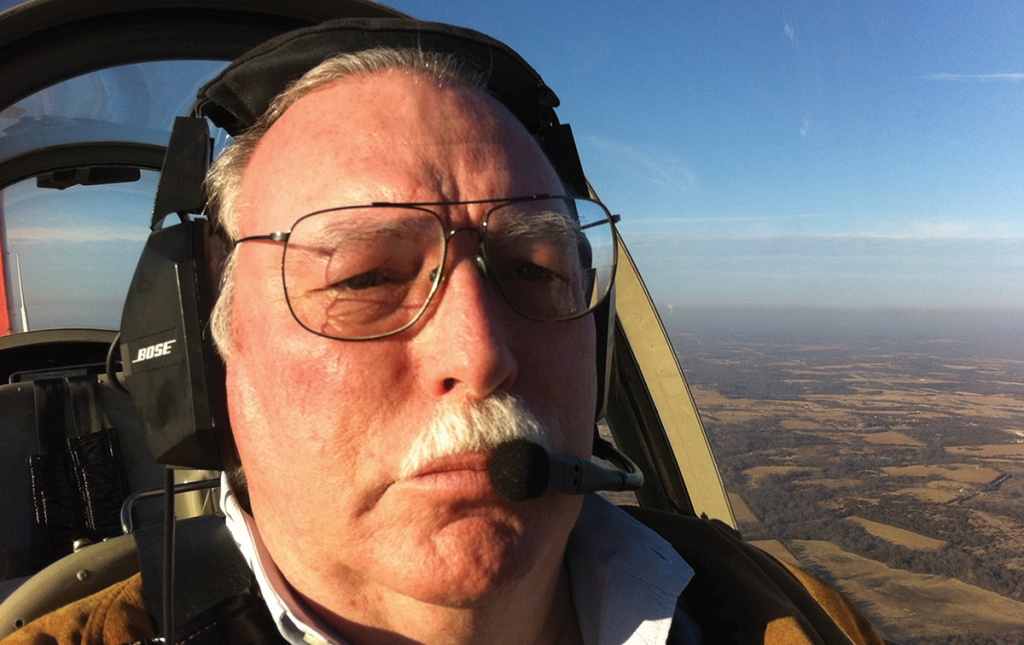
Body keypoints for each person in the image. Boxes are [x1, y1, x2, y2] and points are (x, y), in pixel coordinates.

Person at [3, 25, 886, 645]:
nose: (482, 352)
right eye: (366, 276)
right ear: (206, 354)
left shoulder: (792, 614)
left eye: (536, 268)